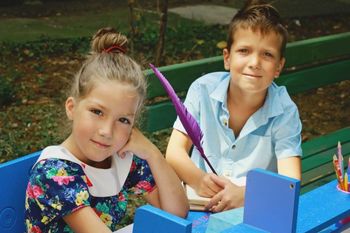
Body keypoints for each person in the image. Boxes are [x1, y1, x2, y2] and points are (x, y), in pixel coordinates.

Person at [25, 27, 189, 233]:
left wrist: (153, 154)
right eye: (97, 111)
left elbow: (176, 213)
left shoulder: (120, 159)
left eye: (123, 119)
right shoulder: (54, 172)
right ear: (72, 108)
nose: (107, 131)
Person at [166, 0, 302, 213]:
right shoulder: (203, 91)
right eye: (244, 51)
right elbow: (174, 151)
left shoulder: (285, 111)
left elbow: (290, 181)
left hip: (253, 208)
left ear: (279, 67)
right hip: (200, 204)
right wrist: (199, 179)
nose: (255, 62)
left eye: (267, 54)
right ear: (227, 58)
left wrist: (247, 195)